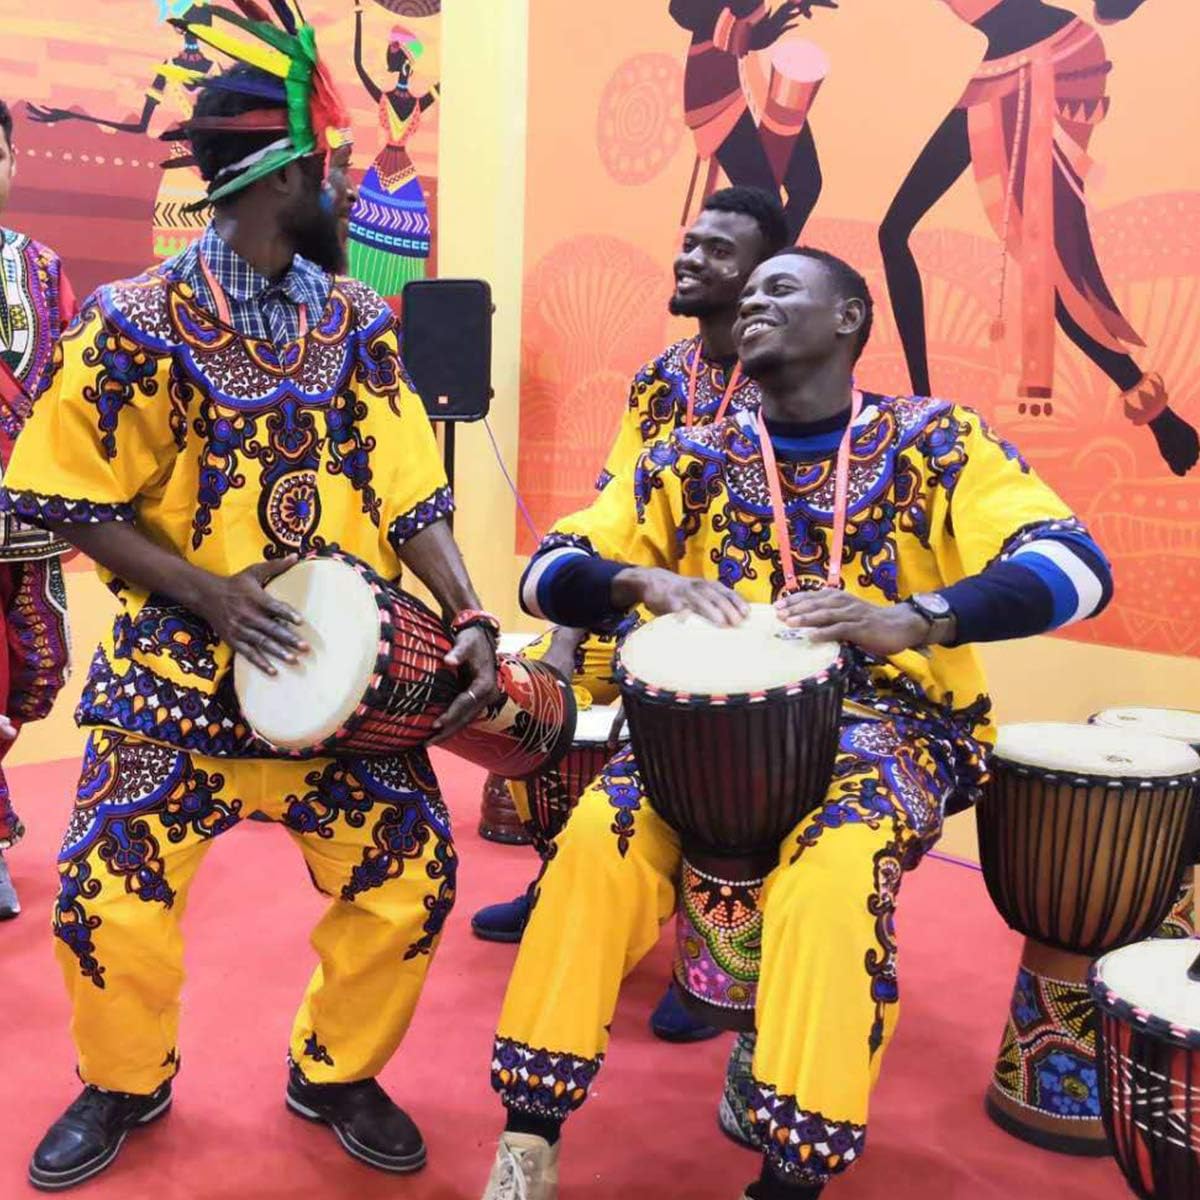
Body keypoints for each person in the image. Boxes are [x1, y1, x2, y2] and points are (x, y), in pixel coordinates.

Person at [479, 246, 1113, 1199]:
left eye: (782, 287)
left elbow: (1075, 567)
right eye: (751, 293)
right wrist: (635, 579)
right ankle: (528, 1140)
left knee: (834, 873)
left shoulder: (933, 443)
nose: (754, 302)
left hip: (887, 722)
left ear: (851, 317)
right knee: (594, 853)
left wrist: (920, 618)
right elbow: (545, 570)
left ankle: (790, 1175)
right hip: (696, 732)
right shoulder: (691, 457)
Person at [2, 9, 498, 1190]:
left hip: (345, 684)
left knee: (412, 871)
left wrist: (469, 613)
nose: (336, 181)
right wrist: (211, 598)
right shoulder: (135, 323)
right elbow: (68, 494)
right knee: (107, 889)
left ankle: (332, 1068)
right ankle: (125, 1080)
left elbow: (412, 491)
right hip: (176, 679)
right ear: (286, 176)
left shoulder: (360, 319)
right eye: (324, 163)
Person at [471, 185, 787, 1042]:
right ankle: (565, 880)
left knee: (709, 760)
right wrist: (567, 641)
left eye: (720, 251)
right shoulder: (661, 380)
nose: (692, 259)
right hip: (639, 613)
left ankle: (712, 948)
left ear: (765, 277)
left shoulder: (790, 382)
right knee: (527, 689)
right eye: (692, 242)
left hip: (740, 641)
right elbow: (607, 509)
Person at [878, 0, 1196, 477]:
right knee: (895, 233)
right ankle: (925, 403)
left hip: (1048, 59)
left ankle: (1161, 419)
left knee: (1057, 266)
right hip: (1011, 63)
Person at [0, 96, 75, 921]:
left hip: (26, 528)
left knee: (32, 679)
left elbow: (68, 395)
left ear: (14, 164)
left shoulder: (45, 268)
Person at [26, 2, 216, 259]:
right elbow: (141, 127)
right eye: (189, 27)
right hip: (178, 180)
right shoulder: (168, 67)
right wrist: (73, 115)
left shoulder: (217, 72)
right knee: (174, 263)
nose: (193, 33)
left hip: (209, 177)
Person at [348, 0, 440, 296]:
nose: (390, 53)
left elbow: (360, 66)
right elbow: (359, 65)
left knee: (405, 233)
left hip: (392, 169)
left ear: (405, 61)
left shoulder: (411, 101)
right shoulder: (395, 99)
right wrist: (359, 18)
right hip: (391, 168)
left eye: (393, 49)